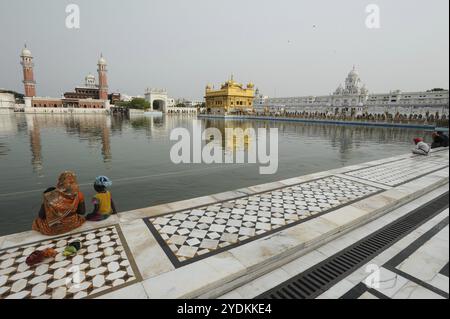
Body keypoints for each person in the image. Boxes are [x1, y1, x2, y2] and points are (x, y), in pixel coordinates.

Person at [32, 171, 86, 236]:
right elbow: (82, 212)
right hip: (73, 224)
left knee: (37, 222)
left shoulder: (50, 196)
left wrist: (46, 203)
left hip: (52, 229)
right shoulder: (79, 195)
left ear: (60, 181)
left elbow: (41, 215)